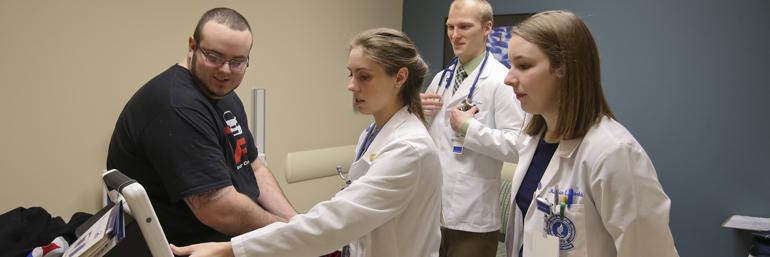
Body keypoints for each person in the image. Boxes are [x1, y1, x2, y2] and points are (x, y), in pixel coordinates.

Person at [170, 28, 442, 257]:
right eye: (351, 74)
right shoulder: (373, 133)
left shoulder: (409, 148)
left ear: (400, 77)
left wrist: (230, 249)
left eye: (364, 76)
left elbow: (336, 222)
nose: (351, 85)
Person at [106, 7, 297, 246]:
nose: (225, 71)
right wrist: (289, 233)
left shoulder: (223, 94)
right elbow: (218, 209)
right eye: (214, 57)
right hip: (192, 244)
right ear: (192, 46)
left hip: (230, 236)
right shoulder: (176, 105)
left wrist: (296, 223)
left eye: (237, 62)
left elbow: (254, 168)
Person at [503, 10, 679, 256]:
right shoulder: (533, 140)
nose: (508, 78)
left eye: (523, 66)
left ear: (565, 69)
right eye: (510, 65)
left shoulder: (613, 153)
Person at [420, 0, 525, 256]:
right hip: (431, 212)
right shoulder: (441, 79)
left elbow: (518, 146)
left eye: (464, 26)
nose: (455, 35)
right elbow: (431, 140)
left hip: (473, 219)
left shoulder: (502, 82)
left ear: (487, 27)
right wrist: (416, 114)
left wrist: (469, 129)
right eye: (450, 27)